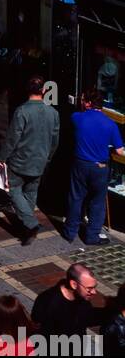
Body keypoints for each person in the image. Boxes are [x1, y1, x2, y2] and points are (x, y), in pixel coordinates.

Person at [0, 75, 60, 246]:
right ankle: (27, 227)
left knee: (13, 191)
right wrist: (47, 158)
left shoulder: (22, 111)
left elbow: (12, 138)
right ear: (44, 90)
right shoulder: (53, 113)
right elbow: (54, 141)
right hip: (40, 162)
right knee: (31, 193)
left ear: (27, 90)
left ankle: (31, 224)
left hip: (20, 161)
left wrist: (2, 157)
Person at [63, 89, 125, 246]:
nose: (80, 102)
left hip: (80, 164)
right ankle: (92, 236)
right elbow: (119, 151)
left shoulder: (77, 118)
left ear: (88, 103)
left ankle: (70, 232)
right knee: (97, 202)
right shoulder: (110, 124)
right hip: (100, 166)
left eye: (82, 100)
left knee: (76, 198)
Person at [31, 263, 102, 344]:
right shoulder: (48, 302)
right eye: (89, 288)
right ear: (74, 284)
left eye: (94, 287)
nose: (94, 292)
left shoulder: (82, 296)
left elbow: (87, 317)